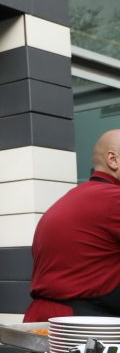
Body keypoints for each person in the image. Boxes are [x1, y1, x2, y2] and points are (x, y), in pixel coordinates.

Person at [24, 131, 120, 321]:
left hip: (44, 321)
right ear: (113, 159)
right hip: (80, 328)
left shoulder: (71, 198)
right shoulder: (113, 199)